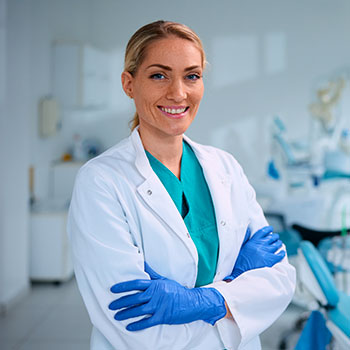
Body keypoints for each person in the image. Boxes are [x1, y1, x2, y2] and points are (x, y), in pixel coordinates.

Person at [67, 20, 296, 350]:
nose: (178, 92)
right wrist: (235, 293)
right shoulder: (100, 182)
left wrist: (199, 303)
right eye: (159, 75)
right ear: (129, 84)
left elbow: (280, 280)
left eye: (192, 75)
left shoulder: (225, 168)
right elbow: (135, 325)